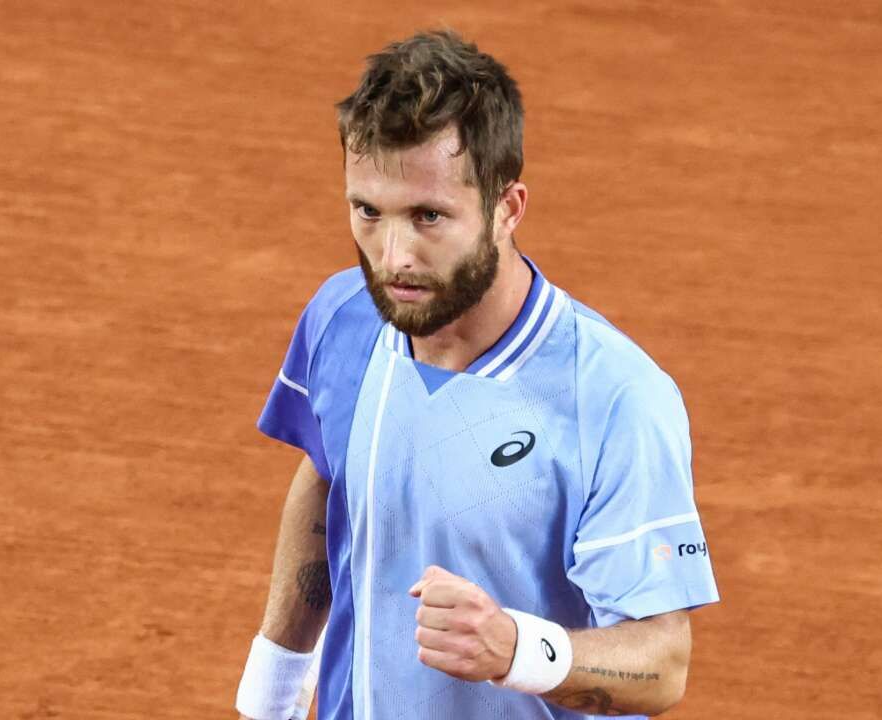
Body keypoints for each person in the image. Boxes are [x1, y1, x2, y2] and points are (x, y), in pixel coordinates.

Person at [235, 30, 719, 720]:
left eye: (429, 216)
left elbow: (664, 664)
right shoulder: (340, 316)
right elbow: (327, 469)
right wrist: (271, 695)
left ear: (507, 208)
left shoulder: (614, 395)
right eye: (368, 210)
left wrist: (517, 650)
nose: (393, 255)